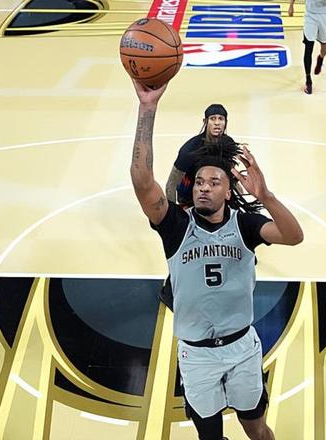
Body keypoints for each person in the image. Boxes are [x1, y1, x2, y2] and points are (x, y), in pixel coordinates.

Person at [129, 80, 304, 440]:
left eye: (214, 182)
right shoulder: (176, 225)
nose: (204, 187)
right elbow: (142, 181)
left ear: (228, 190)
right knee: (209, 437)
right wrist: (147, 108)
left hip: (242, 348)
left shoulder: (246, 224)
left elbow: (293, 236)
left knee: (257, 430)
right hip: (197, 356)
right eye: (199, 182)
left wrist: (267, 196)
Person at [166, 103, 233, 205]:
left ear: (226, 122)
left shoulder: (228, 144)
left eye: (221, 119)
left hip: (216, 196)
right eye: (212, 119)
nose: (217, 123)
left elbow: (231, 175)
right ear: (205, 121)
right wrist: (172, 212)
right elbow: (171, 184)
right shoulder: (190, 150)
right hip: (189, 198)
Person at [288, 0, 326, 94]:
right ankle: (308, 81)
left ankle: (320, 58)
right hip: (310, 16)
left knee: (325, 48)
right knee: (308, 48)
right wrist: (291, 5)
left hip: (325, 16)